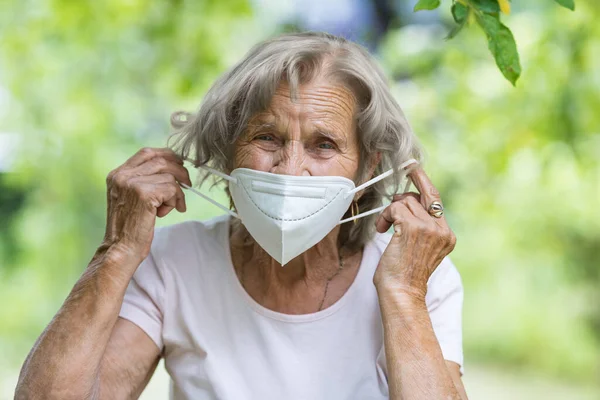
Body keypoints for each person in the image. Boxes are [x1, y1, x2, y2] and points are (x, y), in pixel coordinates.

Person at [15, 32, 467, 400]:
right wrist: (116, 253)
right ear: (227, 154)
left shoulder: (416, 277)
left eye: (323, 145)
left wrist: (405, 293)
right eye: (267, 138)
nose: (291, 170)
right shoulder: (174, 261)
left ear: (368, 167)